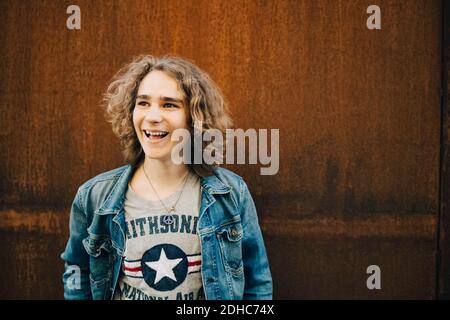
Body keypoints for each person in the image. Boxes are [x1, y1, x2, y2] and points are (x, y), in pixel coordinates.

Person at [61, 55, 272, 300]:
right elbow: (77, 272)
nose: (152, 116)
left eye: (169, 104)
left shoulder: (230, 193)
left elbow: (257, 283)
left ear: (194, 117)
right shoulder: (94, 198)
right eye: (143, 103)